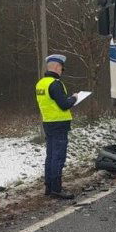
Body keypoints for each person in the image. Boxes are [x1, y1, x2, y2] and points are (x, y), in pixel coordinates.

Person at [35, 54, 77, 200]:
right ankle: (57, 189)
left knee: (51, 156)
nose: (62, 71)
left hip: (48, 123)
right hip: (59, 124)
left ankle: (49, 187)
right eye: (61, 68)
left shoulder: (41, 83)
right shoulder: (55, 83)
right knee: (58, 157)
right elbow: (64, 104)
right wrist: (74, 98)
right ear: (57, 67)